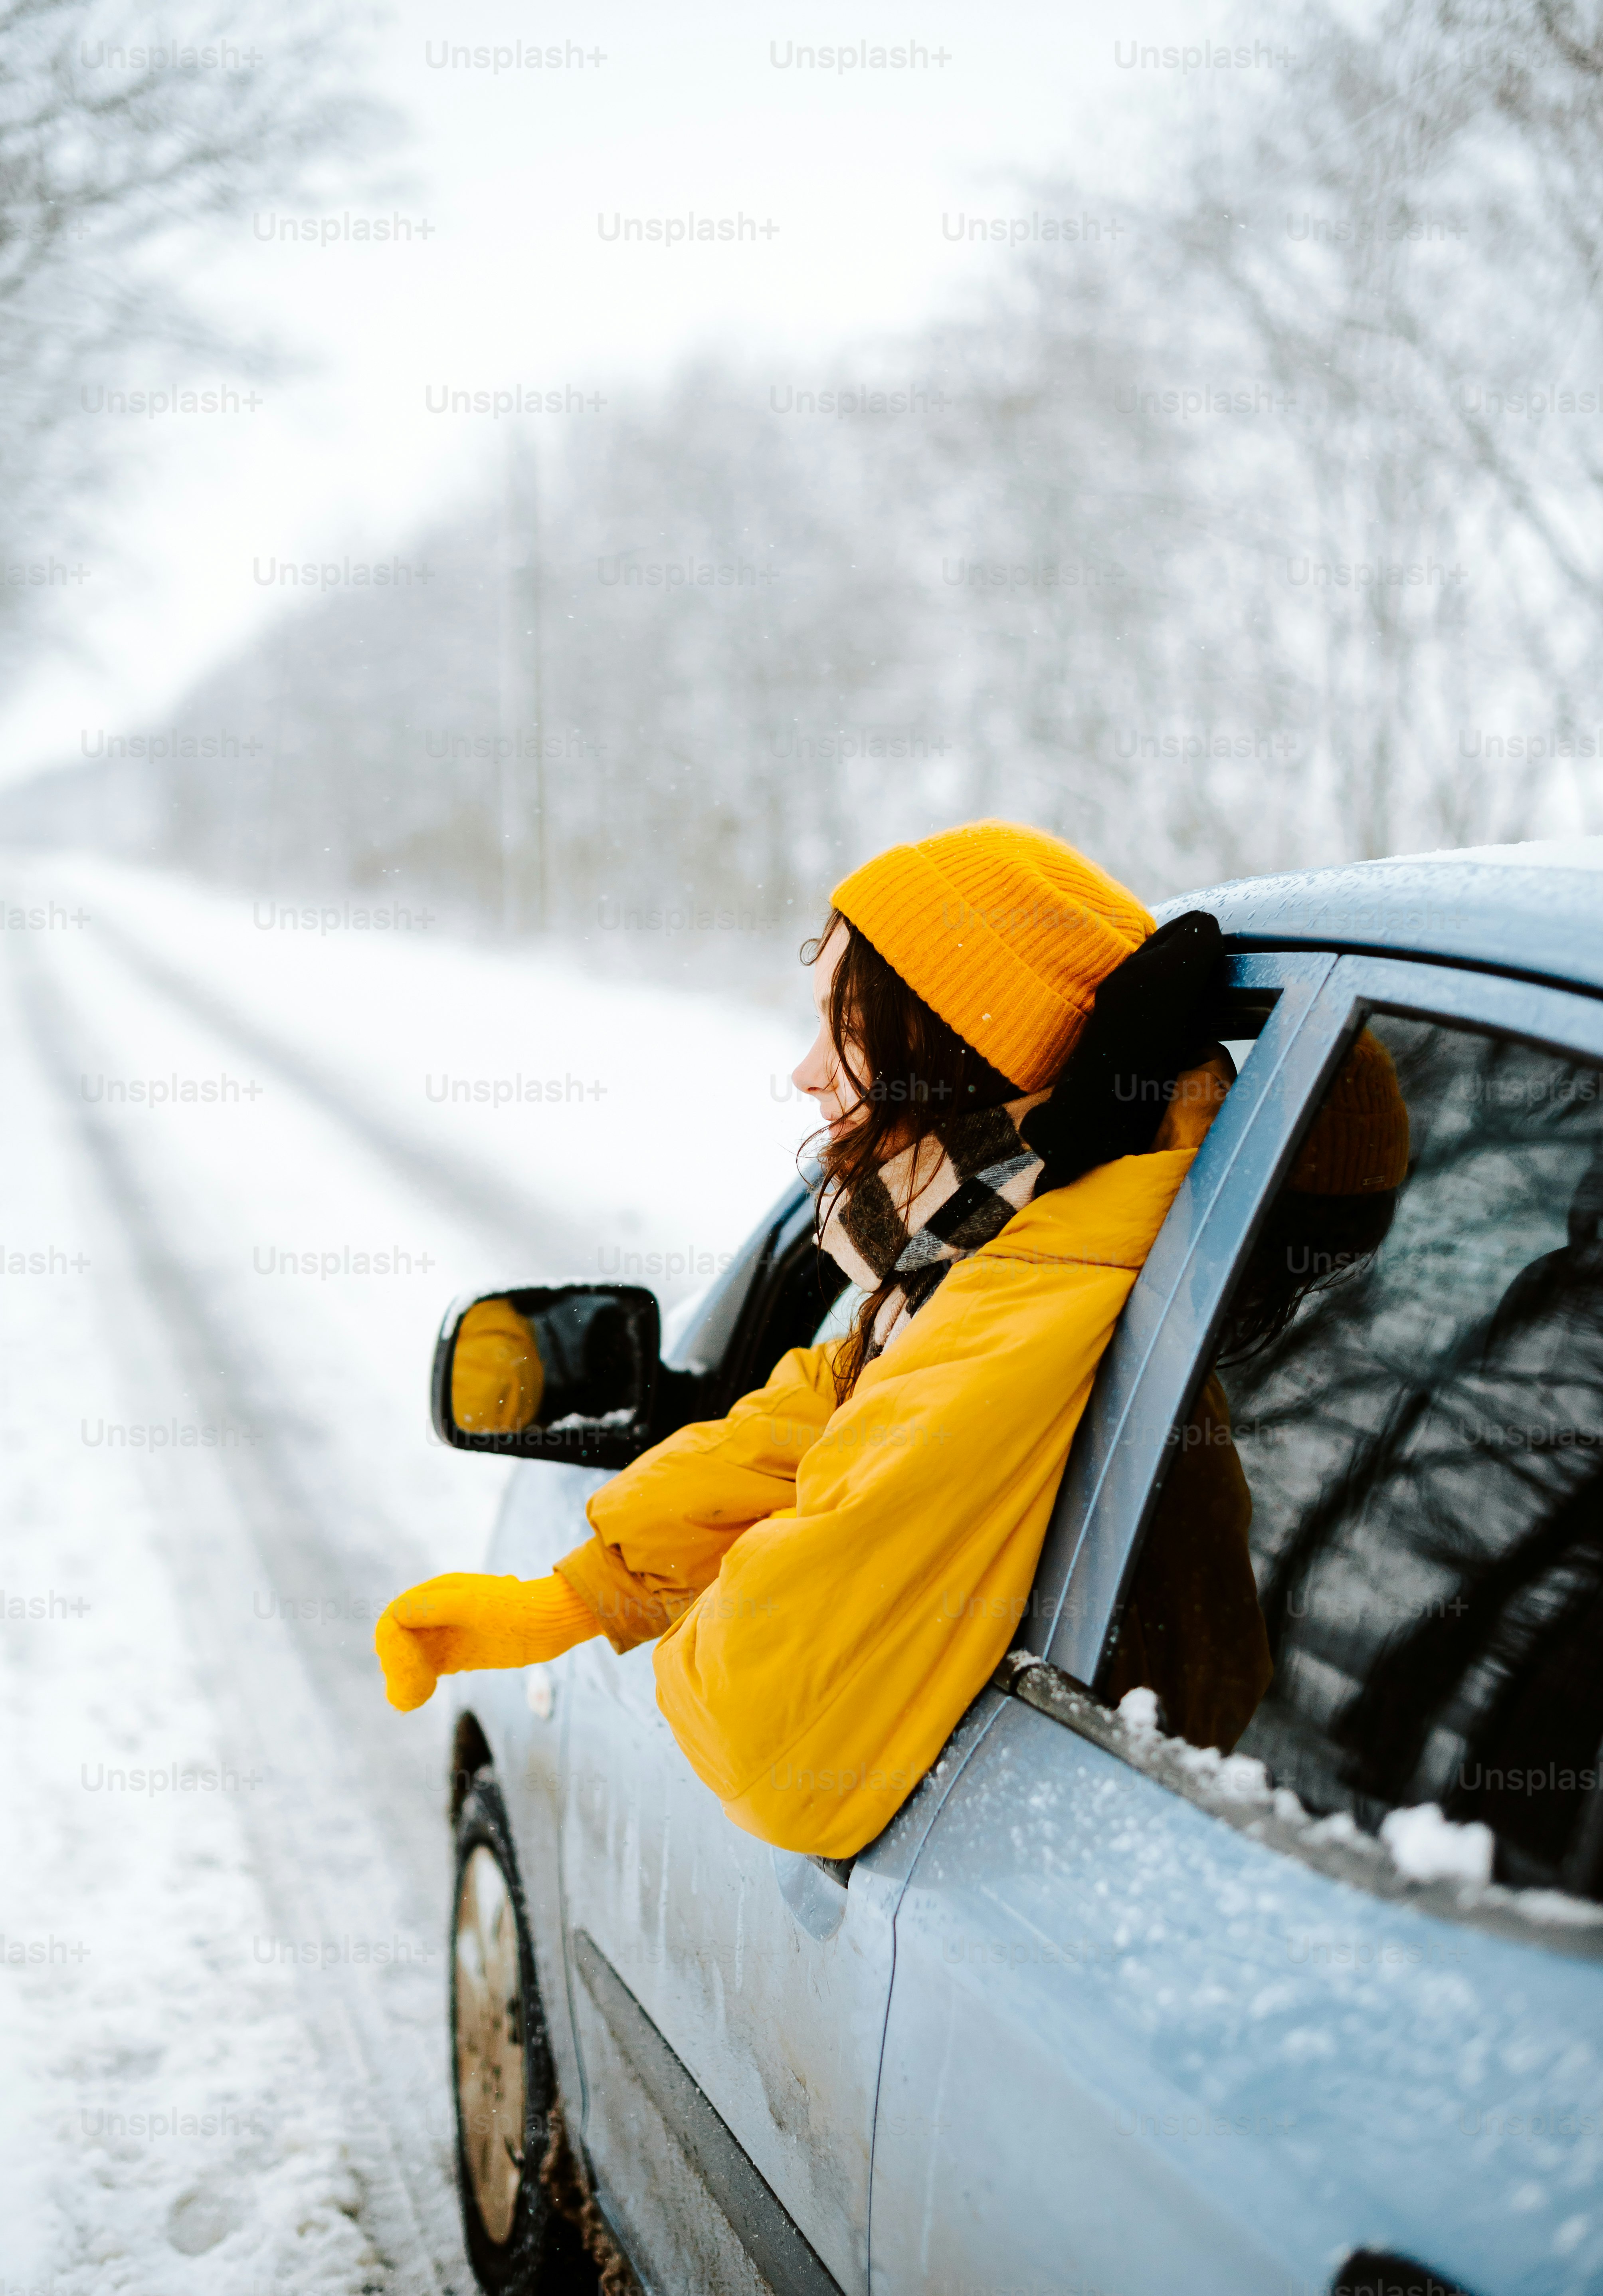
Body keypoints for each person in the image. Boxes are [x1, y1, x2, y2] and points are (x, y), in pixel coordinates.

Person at [376, 821, 1269, 1858]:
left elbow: (769, 1731)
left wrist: (688, 1625)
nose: (807, 1073)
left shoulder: (1040, 1290)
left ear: (966, 1043)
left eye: (848, 1026)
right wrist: (583, 1597)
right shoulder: (993, 1246)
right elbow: (833, 1399)